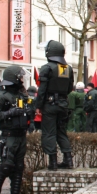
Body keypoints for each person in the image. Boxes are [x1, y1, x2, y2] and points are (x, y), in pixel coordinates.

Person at [0, 65, 33, 194]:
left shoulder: (22, 96)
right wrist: (8, 113)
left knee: (18, 167)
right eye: (20, 77)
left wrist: (29, 113)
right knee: (6, 166)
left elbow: (29, 112)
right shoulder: (0, 96)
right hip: (8, 136)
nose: (22, 80)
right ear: (14, 78)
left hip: (21, 136)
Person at [36, 40, 74, 170]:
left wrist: (39, 106)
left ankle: (52, 162)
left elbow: (42, 90)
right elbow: (69, 88)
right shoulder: (68, 68)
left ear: (49, 52)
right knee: (61, 132)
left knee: (49, 133)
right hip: (63, 104)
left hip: (50, 104)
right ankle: (68, 160)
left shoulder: (47, 67)